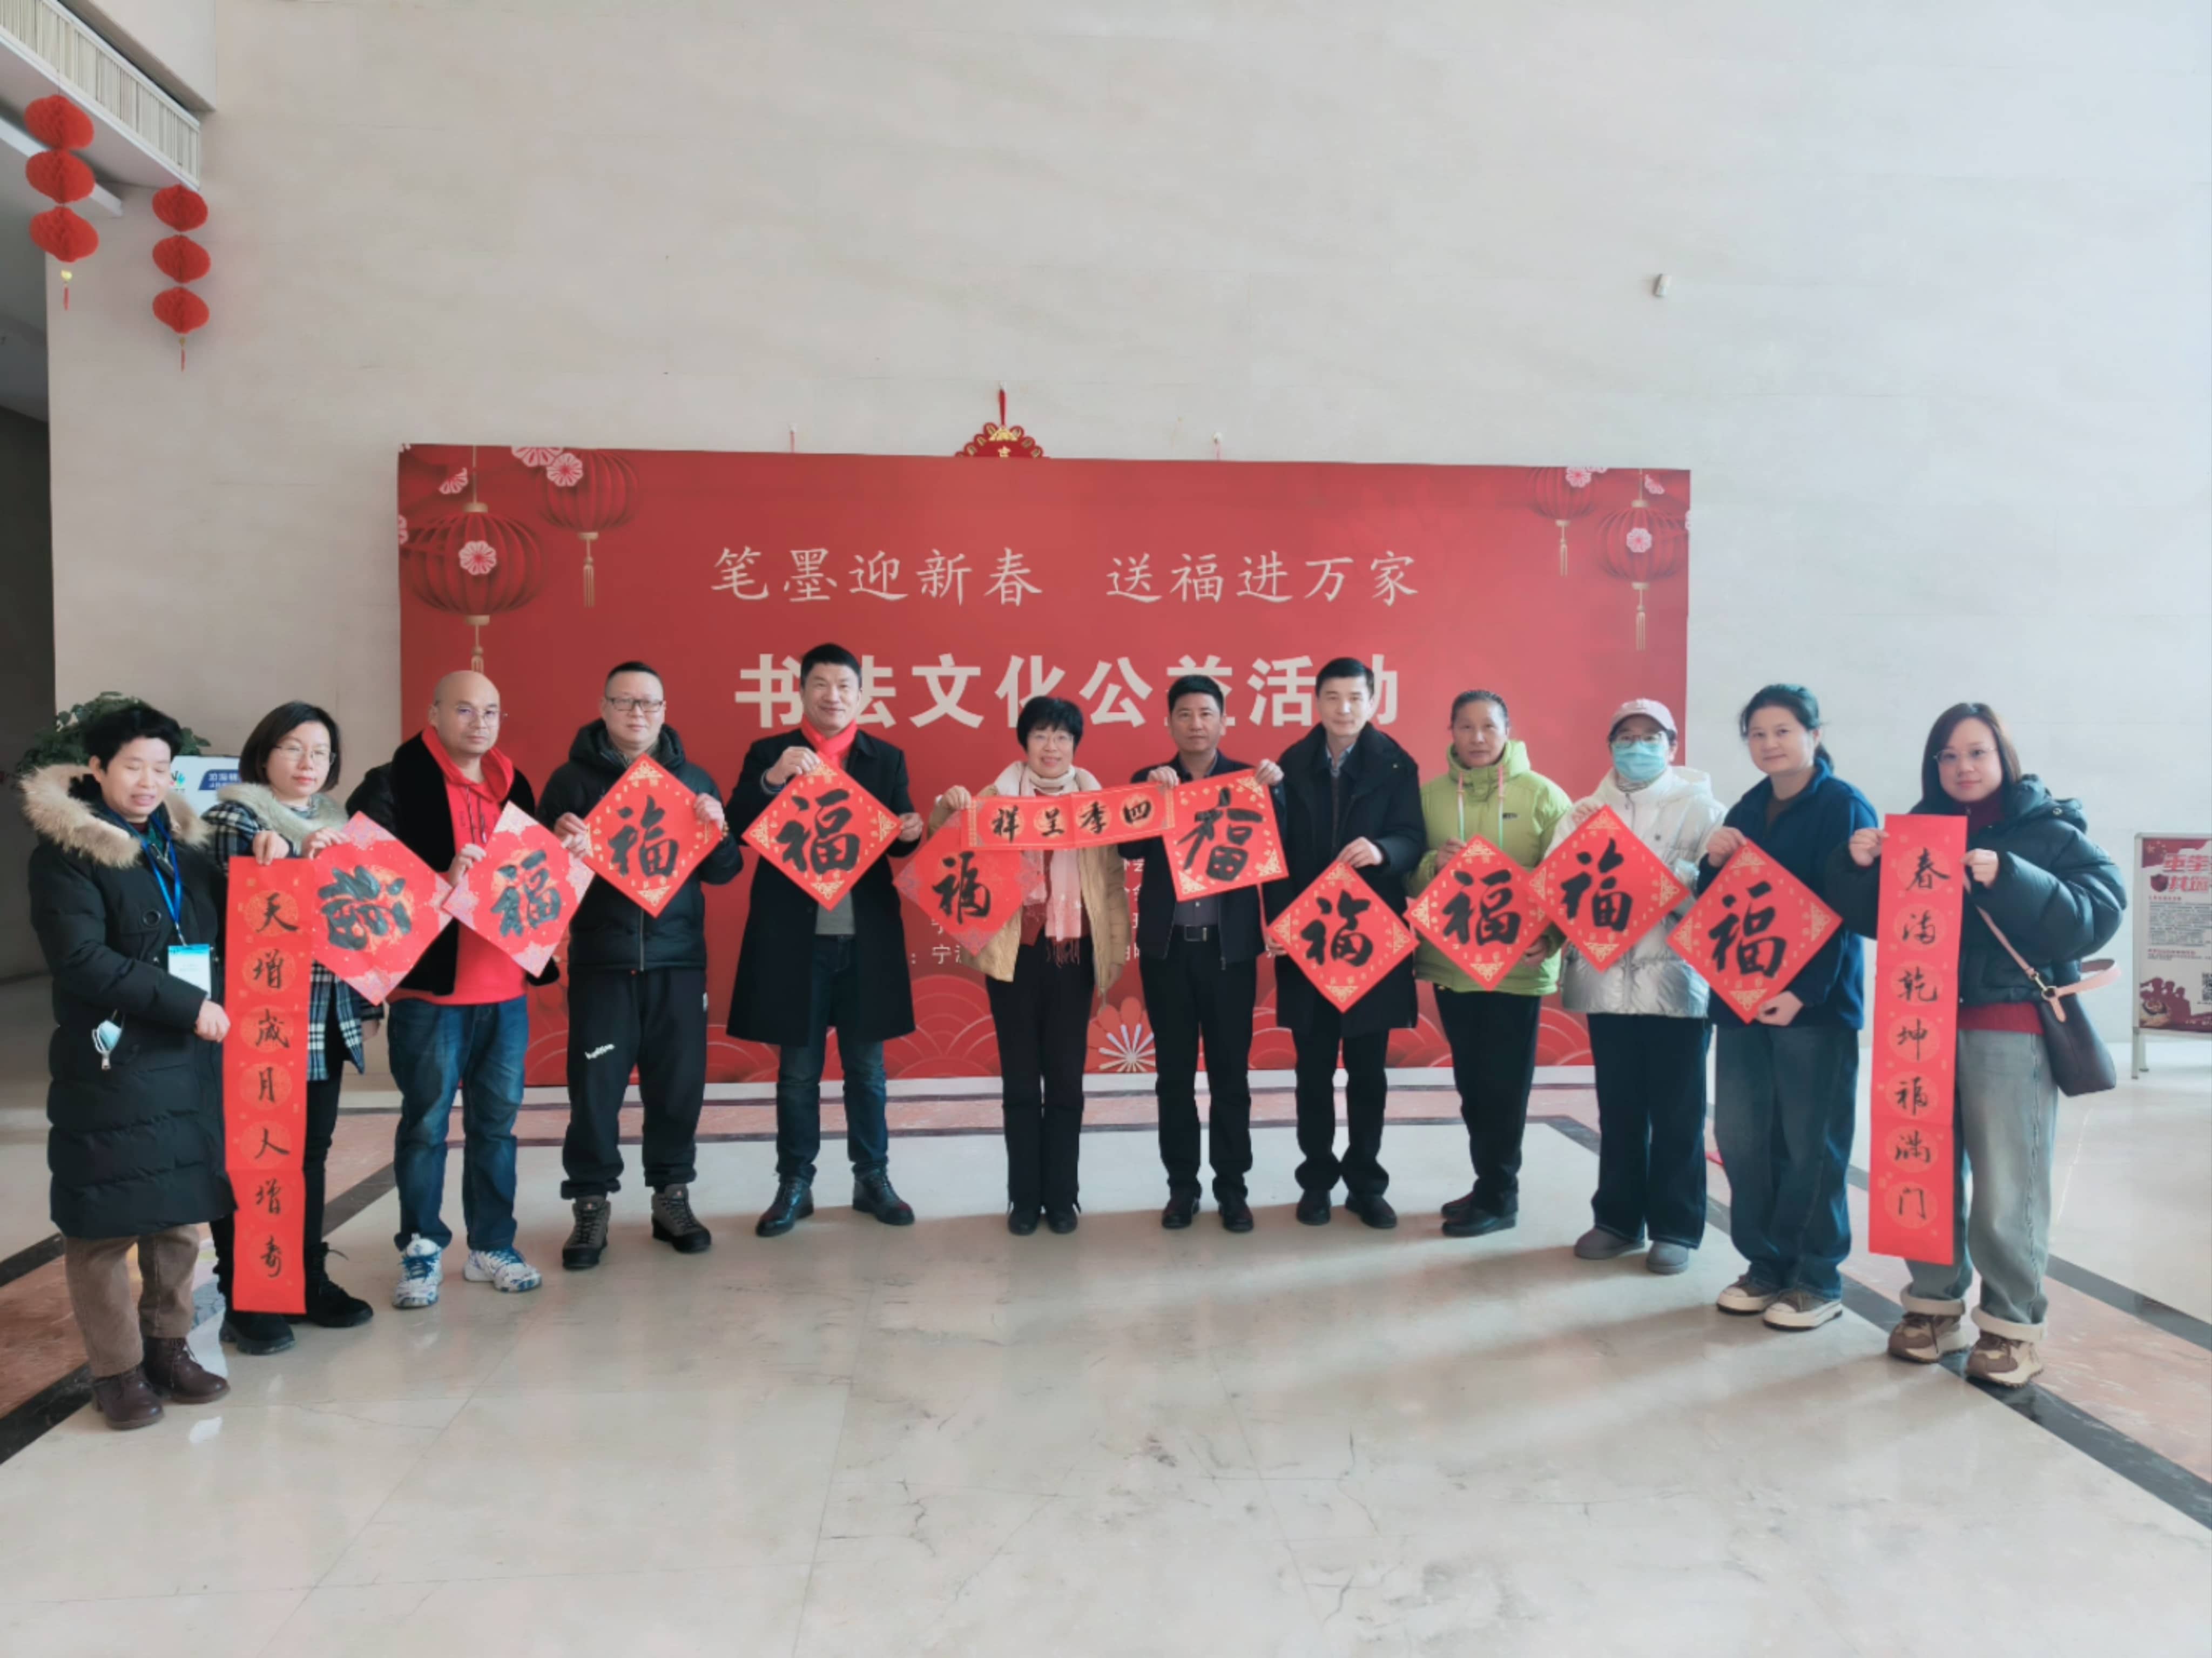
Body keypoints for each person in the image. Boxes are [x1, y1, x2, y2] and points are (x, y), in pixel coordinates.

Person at [1830, 703, 2122, 1386]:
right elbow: (1874, 917)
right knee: (1921, 1172)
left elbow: (2099, 911)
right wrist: (1854, 865)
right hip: (1920, 1025)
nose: (1962, 767)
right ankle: (1932, 1307)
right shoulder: (1919, 831)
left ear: (2002, 757)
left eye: (1976, 752)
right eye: (1948, 755)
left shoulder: (2049, 829)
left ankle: (2012, 1325)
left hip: (2008, 1025)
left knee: (2005, 1185)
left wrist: (2011, 875)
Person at [23, 704, 232, 1429]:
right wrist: (187, 1004)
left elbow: (229, 925)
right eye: (133, 766)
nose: (149, 781)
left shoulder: (182, 847)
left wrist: (271, 859)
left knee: (177, 1213)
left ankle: (169, 1348)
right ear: (98, 768)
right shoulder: (67, 852)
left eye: (161, 768)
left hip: (186, 1057)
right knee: (105, 1222)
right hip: (112, 1058)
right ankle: (116, 1371)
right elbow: (82, 959)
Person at [349, 669, 556, 1307]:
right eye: (464, 710)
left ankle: (492, 1244)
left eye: (491, 711)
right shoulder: (392, 783)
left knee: (497, 1127)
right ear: (434, 714)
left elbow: (533, 876)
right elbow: (361, 880)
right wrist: (439, 877)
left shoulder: (513, 783)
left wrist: (564, 848)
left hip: (504, 988)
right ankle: (421, 1247)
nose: (479, 723)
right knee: (425, 1127)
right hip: (430, 995)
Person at [540, 662, 742, 1268]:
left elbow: (724, 871)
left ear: (664, 710)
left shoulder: (693, 779)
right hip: (603, 962)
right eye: (625, 702)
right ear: (604, 708)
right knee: (595, 1091)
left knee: (677, 1086)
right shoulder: (570, 782)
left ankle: (671, 1196)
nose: (638, 713)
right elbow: (541, 879)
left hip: (678, 960)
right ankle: (591, 1203)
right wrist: (558, 842)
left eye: (649, 703)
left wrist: (718, 829)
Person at [729, 644, 926, 1238]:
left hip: (864, 936)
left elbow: (900, 837)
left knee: (867, 1071)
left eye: (844, 686)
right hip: (795, 938)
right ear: (802, 691)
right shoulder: (771, 753)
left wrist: (911, 830)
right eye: (820, 684)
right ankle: (795, 1183)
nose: (832, 695)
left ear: (860, 695)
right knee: (798, 1073)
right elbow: (737, 826)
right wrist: (772, 778)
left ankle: (873, 1178)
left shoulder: (885, 758)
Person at [201, 702, 376, 1353]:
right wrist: (290, 857)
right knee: (254, 1155)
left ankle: (305, 1278)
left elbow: (363, 920)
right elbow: (240, 905)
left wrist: (369, 998)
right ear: (264, 753)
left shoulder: (342, 825)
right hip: (263, 1021)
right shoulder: (235, 818)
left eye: (321, 752)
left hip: (325, 1013)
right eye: (294, 748)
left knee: (309, 1154)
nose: (309, 763)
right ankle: (247, 1294)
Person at [1703, 684, 1876, 1331]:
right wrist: (1709, 862)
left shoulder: (1843, 806)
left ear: (1814, 735)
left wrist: (1804, 991)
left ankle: (1817, 1277)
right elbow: (1721, 905)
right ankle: (1765, 1265)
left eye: (1782, 731)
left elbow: (1848, 910)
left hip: (1814, 1009)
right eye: (1757, 733)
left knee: (1812, 1144)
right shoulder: (1746, 809)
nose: (1769, 744)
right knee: (1743, 1138)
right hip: (1741, 1002)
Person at [932, 696, 1130, 1235]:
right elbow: (944, 845)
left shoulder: (1096, 803)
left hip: (1073, 955)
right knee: (1020, 1083)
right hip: (1013, 957)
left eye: (1062, 737)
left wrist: (1114, 949)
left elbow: (1112, 882)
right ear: (1024, 742)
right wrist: (947, 808)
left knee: (1065, 1082)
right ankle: (1023, 1199)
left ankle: (1062, 1198)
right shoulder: (995, 798)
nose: (1051, 746)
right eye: (1041, 734)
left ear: (1075, 745)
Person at [1553, 699, 1724, 1274]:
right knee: (1619, 1108)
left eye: (1651, 736)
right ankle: (1618, 1220)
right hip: (1606, 984)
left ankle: (1676, 1228)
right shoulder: (1585, 812)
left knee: (1678, 1113)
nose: (1638, 746)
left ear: (1672, 745)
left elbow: (1724, 897)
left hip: (1677, 983)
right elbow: (1557, 890)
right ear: (1610, 746)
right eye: (1626, 736)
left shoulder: (1706, 811)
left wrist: (1667, 880)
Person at [1264, 657, 1424, 1230]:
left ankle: (1365, 1184)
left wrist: (1382, 850)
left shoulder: (1397, 764)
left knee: (1367, 1072)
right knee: (1312, 1071)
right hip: (1308, 938)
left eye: (1355, 698)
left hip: (1367, 939)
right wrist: (1278, 921)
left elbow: (1413, 837)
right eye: (1332, 698)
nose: (1344, 709)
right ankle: (1316, 1183)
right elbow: (1272, 850)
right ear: (1317, 703)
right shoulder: (1291, 764)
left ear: (1373, 702)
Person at [1408, 690, 1571, 1239]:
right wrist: (1434, 865)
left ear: (1508, 730)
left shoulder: (1543, 795)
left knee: (1504, 1087)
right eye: (1465, 726)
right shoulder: (1430, 798)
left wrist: (1551, 936)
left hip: (1517, 969)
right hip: (1452, 965)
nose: (1477, 738)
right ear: (1451, 732)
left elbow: (1568, 877)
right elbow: (1406, 874)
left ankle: (1502, 1196)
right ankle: (1487, 1185)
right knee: (1473, 1085)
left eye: (1489, 726)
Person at [1127, 675, 1283, 1233]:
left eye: (1206, 714)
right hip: (1168, 953)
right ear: (1169, 723)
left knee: (1229, 1078)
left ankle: (1232, 1189)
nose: (1196, 724)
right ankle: (1182, 1187)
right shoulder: (1149, 780)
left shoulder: (1248, 781)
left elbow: (1281, 843)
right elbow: (1125, 846)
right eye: (1185, 714)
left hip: (1229, 954)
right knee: (1173, 1077)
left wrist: (1276, 791)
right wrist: (1151, 798)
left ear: (1223, 721)